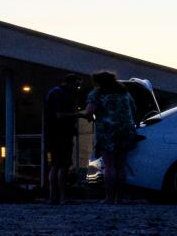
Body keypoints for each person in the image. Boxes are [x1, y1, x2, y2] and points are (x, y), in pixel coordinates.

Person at [84, 71, 139, 205]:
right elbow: (134, 109)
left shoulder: (97, 93)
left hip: (107, 131)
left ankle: (109, 198)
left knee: (109, 166)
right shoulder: (124, 93)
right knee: (121, 166)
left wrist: (89, 117)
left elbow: (89, 111)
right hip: (125, 131)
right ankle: (119, 198)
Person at [41, 74, 84, 205]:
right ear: (69, 83)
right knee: (62, 165)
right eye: (76, 85)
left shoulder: (55, 93)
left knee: (55, 165)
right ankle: (62, 197)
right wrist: (78, 114)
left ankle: (54, 197)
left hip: (54, 134)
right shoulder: (60, 94)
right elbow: (59, 114)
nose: (77, 88)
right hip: (60, 134)